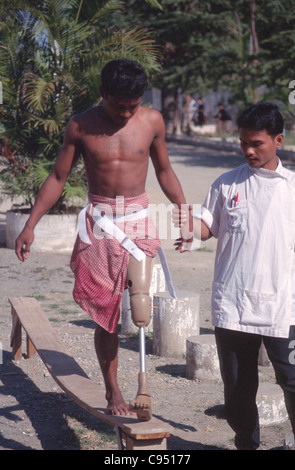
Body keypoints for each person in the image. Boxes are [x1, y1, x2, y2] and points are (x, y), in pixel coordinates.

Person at [15, 58, 189, 417]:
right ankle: (113, 392)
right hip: (100, 223)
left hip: (138, 218)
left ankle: (143, 383)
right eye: (118, 105)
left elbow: (164, 170)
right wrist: (30, 224)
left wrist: (184, 212)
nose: (126, 113)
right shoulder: (81, 125)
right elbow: (58, 177)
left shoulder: (152, 121)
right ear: (102, 94)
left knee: (140, 305)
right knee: (105, 315)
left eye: (134, 105)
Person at [175, 102, 295, 449]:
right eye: (243, 142)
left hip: (283, 305)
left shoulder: (291, 188)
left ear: (278, 140)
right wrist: (187, 226)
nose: (248, 150)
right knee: (239, 387)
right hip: (234, 305)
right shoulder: (227, 185)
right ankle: (246, 442)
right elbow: (206, 227)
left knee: (291, 379)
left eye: (256, 143)